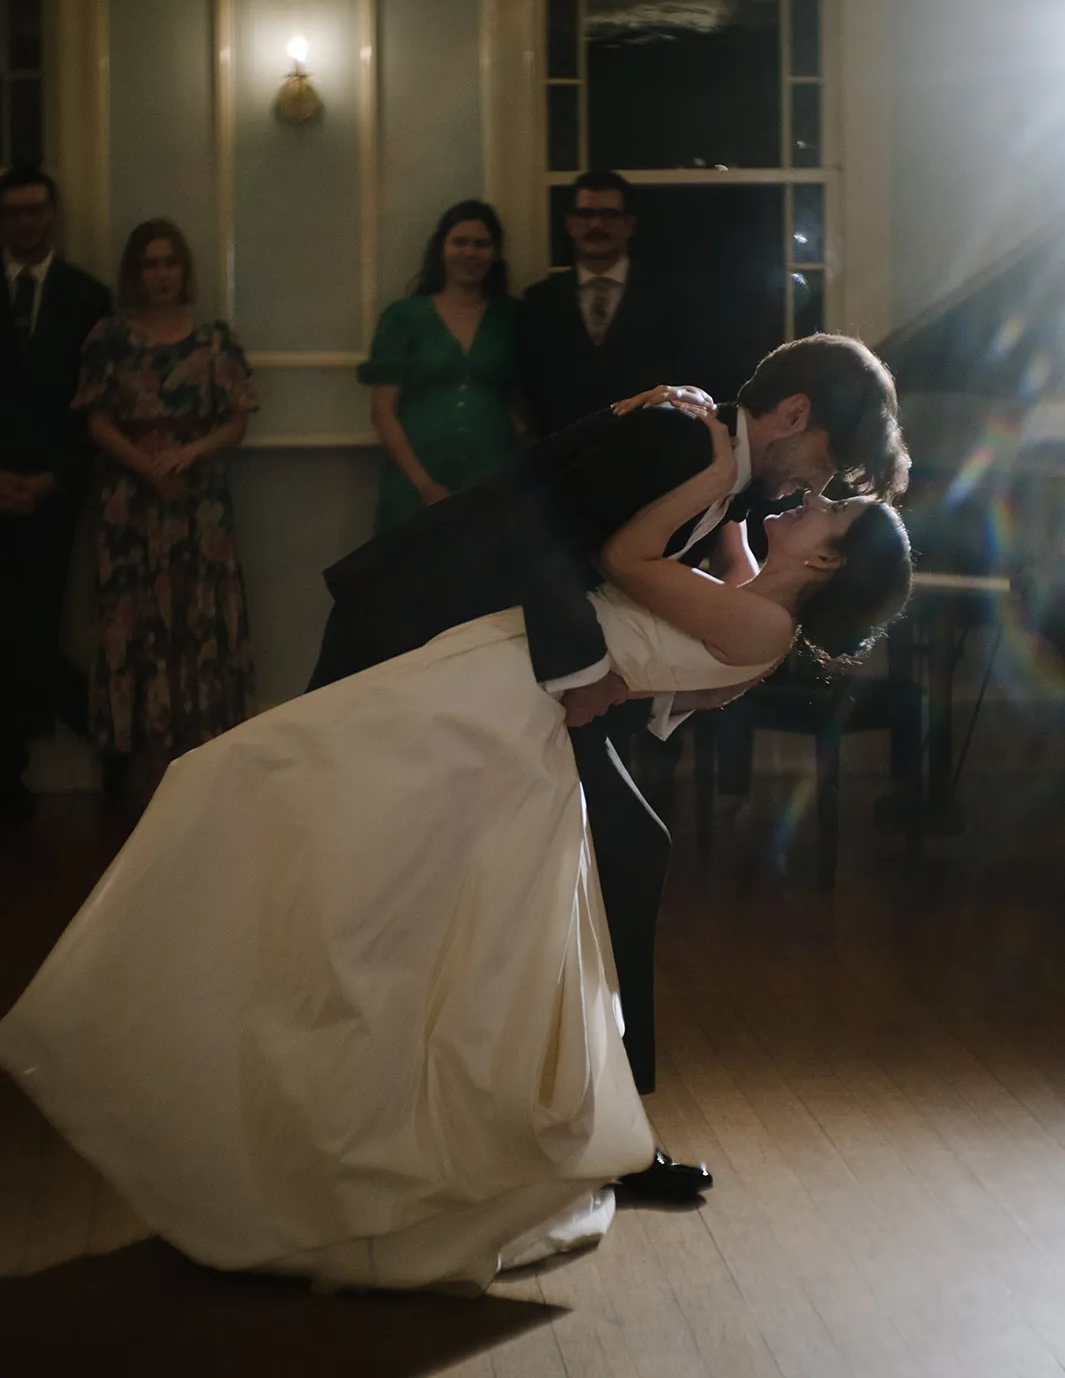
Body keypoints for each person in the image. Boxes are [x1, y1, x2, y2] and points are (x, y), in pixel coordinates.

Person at [0, 415, 912, 1293]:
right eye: (821, 482)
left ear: (826, 561)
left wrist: (718, 482)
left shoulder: (756, 626)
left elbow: (625, 560)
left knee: (300, 812)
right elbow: (722, 569)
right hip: (505, 675)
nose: (809, 496)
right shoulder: (752, 598)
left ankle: (356, 1124)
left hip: (507, 700)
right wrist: (659, 436)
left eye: (827, 510)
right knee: (315, 810)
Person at [307, 333, 910, 1199]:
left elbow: (645, 576)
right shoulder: (684, 440)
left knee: (615, 852)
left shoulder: (710, 462)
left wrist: (626, 680)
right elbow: (537, 527)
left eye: (831, 491)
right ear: (791, 415)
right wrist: (586, 671)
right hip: (415, 625)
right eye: (823, 461)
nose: (817, 486)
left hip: (515, 677)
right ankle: (441, 1108)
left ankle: (585, 1122)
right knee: (360, 858)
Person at [72, 220, 257, 798]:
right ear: (136, 272)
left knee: (198, 619)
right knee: (135, 622)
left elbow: (236, 419)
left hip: (199, 505)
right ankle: (142, 762)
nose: (161, 274)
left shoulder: (214, 342)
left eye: (170, 263)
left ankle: (201, 757)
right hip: (129, 505)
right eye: (150, 264)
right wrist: (145, 463)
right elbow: (95, 417)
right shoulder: (109, 338)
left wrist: (188, 454)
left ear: (185, 270)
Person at [0, 165, 112, 820]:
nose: (24, 222)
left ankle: (94, 726)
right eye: (12, 212)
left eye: (34, 210)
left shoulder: (86, 298)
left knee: (36, 623)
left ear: (54, 214)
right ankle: (15, 769)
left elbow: (93, 404)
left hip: (53, 490)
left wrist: (49, 479)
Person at [361, 200, 521, 532]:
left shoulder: (512, 317)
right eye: (460, 242)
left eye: (481, 244)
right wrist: (424, 485)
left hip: (493, 474)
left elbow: (526, 398)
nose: (470, 252)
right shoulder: (403, 317)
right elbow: (382, 412)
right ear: (441, 248)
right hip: (415, 477)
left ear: (494, 253)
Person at [518, 170, 691, 436]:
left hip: (650, 451)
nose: (596, 225)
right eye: (585, 215)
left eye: (609, 215)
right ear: (570, 224)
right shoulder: (539, 300)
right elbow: (529, 388)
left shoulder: (671, 298)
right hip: (561, 458)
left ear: (629, 225)